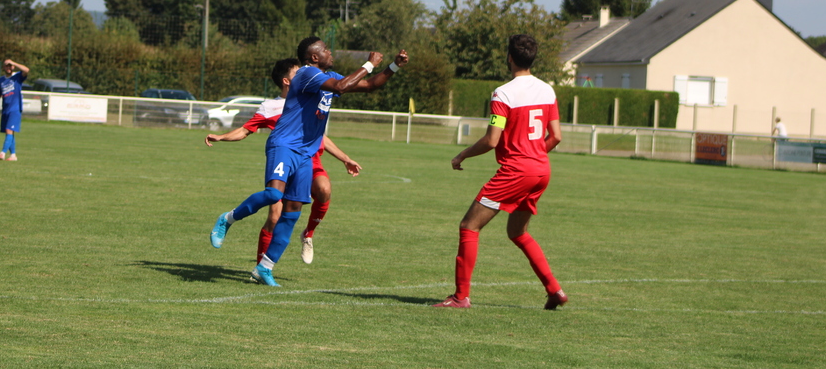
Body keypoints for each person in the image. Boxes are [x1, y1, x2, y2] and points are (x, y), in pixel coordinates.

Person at [211, 36, 409, 287]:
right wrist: (368, 64)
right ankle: (228, 219)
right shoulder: (306, 74)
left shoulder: (328, 76)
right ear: (314, 57)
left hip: (306, 153)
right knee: (274, 195)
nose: (330, 52)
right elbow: (341, 87)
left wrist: (393, 66)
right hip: (284, 145)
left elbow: (369, 85)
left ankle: (264, 268)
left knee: (292, 213)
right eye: (325, 49)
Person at [433, 34, 568, 310]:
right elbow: (556, 136)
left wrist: (462, 154)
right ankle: (555, 291)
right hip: (541, 170)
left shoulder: (503, 93)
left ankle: (460, 297)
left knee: (469, 226)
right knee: (518, 232)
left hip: (517, 171)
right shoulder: (547, 90)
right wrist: (534, 155)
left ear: (509, 58)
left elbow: (491, 140)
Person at [205, 58, 362, 264]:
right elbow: (245, 130)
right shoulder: (270, 107)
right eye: (297, 72)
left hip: (308, 160)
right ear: (286, 81)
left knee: (324, 189)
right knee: (274, 216)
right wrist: (221, 137)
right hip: (284, 159)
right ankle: (260, 266)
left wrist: (345, 158)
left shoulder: (310, 95)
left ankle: (308, 235)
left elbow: (320, 136)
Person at [0, 59, 30, 161]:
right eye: (7, 65)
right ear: (3, 67)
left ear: (13, 67)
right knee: (9, 132)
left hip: (15, 109)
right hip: (5, 109)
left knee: (9, 130)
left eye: (10, 66)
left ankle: (3, 153)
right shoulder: (1, 80)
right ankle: (13, 155)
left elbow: (26, 70)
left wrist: (13, 62)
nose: (9, 67)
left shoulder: (17, 77)